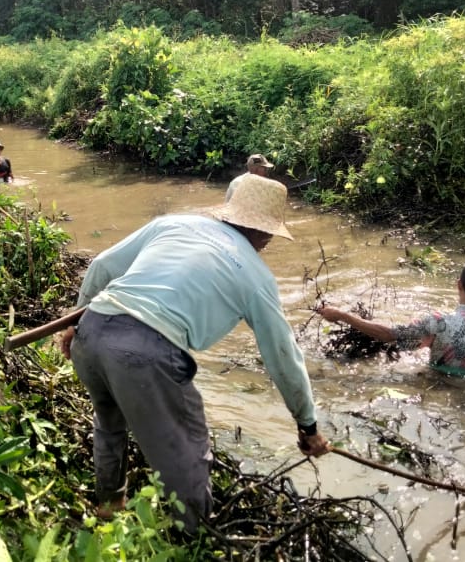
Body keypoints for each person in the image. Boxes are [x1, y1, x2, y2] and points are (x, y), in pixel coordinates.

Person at [60, 175, 329, 532]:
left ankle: (109, 507)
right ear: (265, 233)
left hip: (94, 331)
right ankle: (194, 536)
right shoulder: (257, 279)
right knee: (187, 450)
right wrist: (307, 424)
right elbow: (282, 355)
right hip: (144, 353)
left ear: (228, 212)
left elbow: (102, 267)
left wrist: (74, 325)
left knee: (109, 423)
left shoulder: (176, 223)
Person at [316, 259, 465, 375]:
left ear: (459, 285)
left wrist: (342, 315)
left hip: (440, 383)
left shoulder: (440, 322)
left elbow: (389, 335)